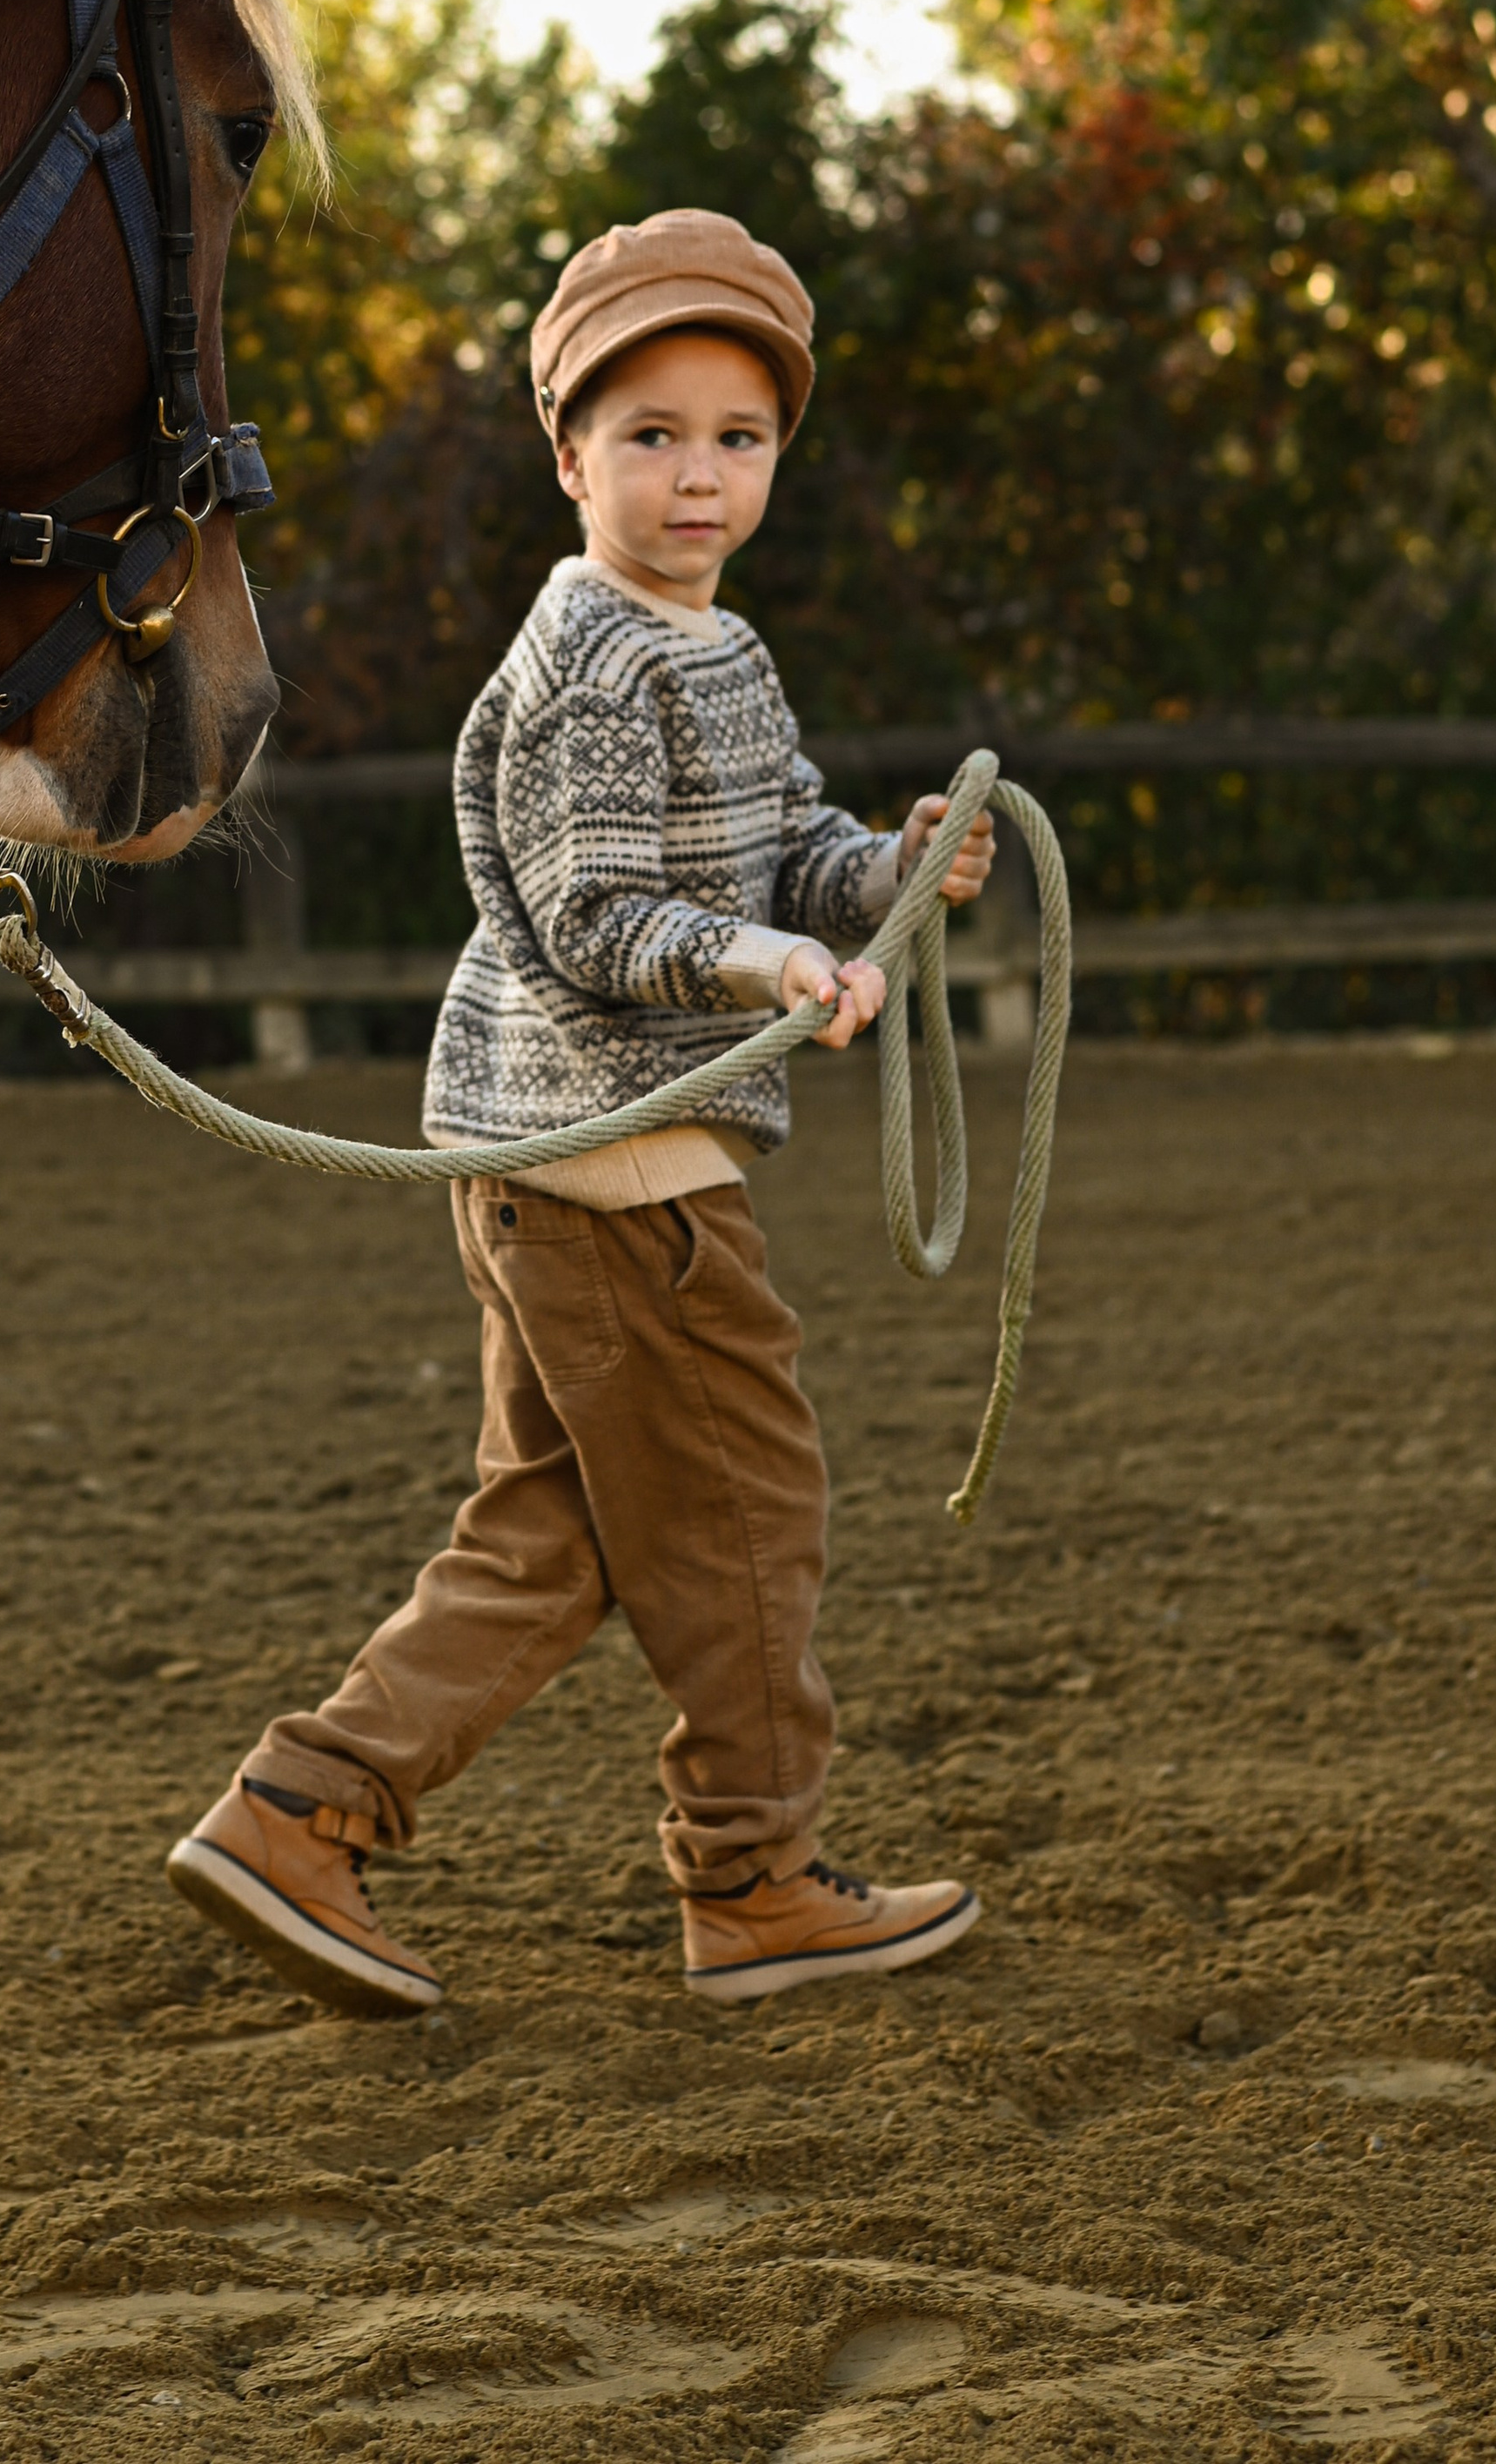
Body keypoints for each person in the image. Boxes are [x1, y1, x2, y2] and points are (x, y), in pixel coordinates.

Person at [169, 209, 996, 2016]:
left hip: (582, 1161)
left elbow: (787, 843)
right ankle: (754, 1879)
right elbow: (600, 917)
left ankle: (300, 1813)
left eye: (737, 438)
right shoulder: (593, 671)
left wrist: (887, 872)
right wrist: (775, 965)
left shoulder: (712, 646)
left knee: (561, 1533)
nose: (696, 477)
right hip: (615, 1166)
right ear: (567, 453)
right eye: (649, 435)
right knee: (745, 1517)